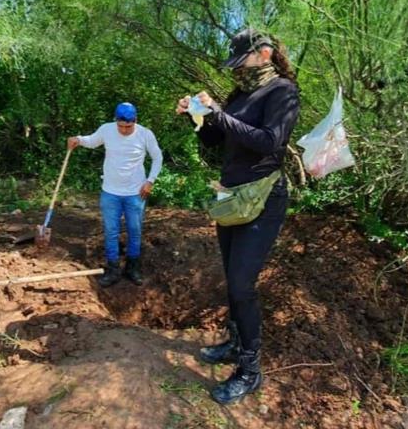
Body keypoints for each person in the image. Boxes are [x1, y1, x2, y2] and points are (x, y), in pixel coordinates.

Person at [176, 28, 300, 405]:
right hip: (232, 198)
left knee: (243, 285)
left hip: (262, 199)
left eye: (242, 59)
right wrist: (197, 116)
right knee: (232, 280)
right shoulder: (241, 92)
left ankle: (250, 370)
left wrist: (219, 114)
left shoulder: (283, 91)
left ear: (263, 54)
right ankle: (234, 342)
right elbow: (216, 143)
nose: (237, 68)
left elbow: (268, 141)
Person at [68, 102, 163, 288]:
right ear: (116, 121)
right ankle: (113, 270)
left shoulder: (145, 134)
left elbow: (157, 157)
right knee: (111, 232)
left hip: (136, 193)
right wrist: (78, 139)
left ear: (135, 120)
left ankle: (132, 268)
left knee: (134, 231)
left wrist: (150, 180)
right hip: (110, 192)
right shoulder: (107, 130)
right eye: (121, 126)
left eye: (129, 126)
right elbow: (92, 140)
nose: (125, 130)